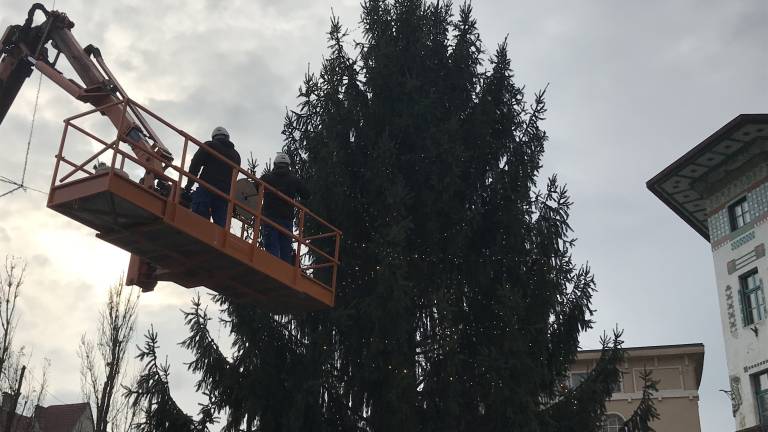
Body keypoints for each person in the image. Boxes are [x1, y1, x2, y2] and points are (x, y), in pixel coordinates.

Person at [184, 126, 241, 227]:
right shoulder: (236, 155)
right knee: (221, 223)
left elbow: (195, 164)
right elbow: (235, 176)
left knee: (199, 217)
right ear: (227, 137)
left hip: (207, 187)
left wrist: (189, 185)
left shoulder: (210, 145)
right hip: (224, 194)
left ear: (214, 137)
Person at [259, 152, 309, 263]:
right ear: (288, 165)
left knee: (271, 247)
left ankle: (272, 265)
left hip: (270, 217)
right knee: (285, 249)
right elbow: (306, 194)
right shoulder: (293, 180)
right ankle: (284, 267)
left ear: (275, 164)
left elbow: (252, 189)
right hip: (286, 219)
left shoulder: (267, 178)